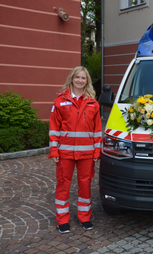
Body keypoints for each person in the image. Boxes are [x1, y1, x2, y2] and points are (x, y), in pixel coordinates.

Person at [48, 66, 102, 234]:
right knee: (63, 184)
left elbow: (97, 130)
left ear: (87, 82)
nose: (80, 80)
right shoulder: (59, 101)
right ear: (72, 78)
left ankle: (84, 217)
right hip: (65, 153)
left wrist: (96, 152)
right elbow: (54, 129)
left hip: (86, 154)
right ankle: (62, 220)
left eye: (83, 78)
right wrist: (54, 151)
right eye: (77, 77)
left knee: (85, 185)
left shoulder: (93, 103)